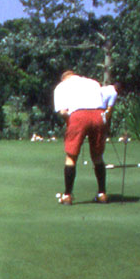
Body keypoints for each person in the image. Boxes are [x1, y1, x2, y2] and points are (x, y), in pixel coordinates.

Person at [53, 70, 110, 205]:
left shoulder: (61, 87)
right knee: (97, 156)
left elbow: (63, 112)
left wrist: (70, 121)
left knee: (71, 156)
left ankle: (67, 195)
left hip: (78, 116)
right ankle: (102, 194)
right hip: (98, 115)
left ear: (64, 79)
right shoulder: (93, 82)